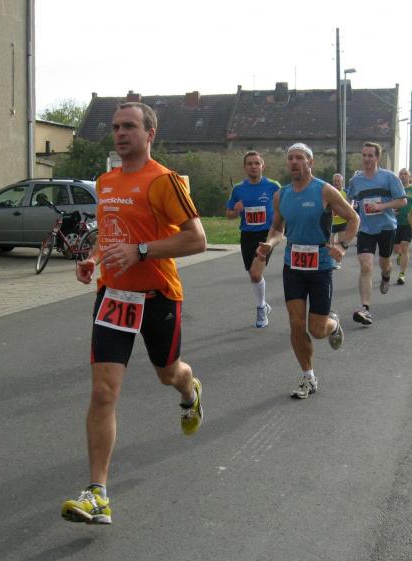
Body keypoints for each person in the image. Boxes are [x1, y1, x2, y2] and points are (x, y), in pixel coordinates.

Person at [62, 102, 207, 525]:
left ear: (150, 134)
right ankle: (97, 493)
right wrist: (94, 258)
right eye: (115, 127)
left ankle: (190, 392)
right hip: (115, 297)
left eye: (129, 126)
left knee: (169, 373)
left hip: (158, 296)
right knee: (103, 392)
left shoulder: (163, 181)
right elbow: (110, 233)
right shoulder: (105, 182)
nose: (120, 133)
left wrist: (141, 250)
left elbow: (197, 239)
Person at [256, 143, 359, 399]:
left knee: (317, 329)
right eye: (290, 158)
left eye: (299, 158)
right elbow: (277, 228)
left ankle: (333, 325)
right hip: (293, 265)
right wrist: (270, 244)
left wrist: (343, 245)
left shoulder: (324, 190)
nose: (294, 162)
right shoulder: (281, 195)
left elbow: (353, 219)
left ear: (310, 163)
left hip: (320, 266)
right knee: (296, 323)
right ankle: (308, 377)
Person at [347, 142, 407, 325]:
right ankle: (365, 308)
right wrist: (349, 212)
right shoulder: (355, 180)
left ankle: (386, 275)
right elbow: (350, 200)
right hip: (366, 229)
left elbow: (402, 201)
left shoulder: (389, 178)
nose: (366, 159)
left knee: (385, 263)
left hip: (386, 227)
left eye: (370, 155)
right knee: (366, 266)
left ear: (377, 158)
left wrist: (382, 206)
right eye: (364, 155)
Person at [226, 151, 281, 327]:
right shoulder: (238, 189)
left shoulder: (273, 186)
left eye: (257, 163)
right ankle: (264, 305)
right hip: (247, 235)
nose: (253, 166)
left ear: (263, 166)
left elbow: (283, 208)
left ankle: (260, 309)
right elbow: (228, 214)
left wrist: (280, 228)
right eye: (250, 163)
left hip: (266, 234)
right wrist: (236, 210)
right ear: (245, 167)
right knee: (252, 274)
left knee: (256, 274)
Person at [394, 168, 412, 284]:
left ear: (410, 177)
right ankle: (399, 254)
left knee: (405, 247)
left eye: (405, 174)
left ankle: (402, 274)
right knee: (396, 249)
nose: (403, 176)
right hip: (394, 223)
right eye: (401, 174)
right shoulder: (394, 188)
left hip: (408, 223)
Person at [329, 173, 350, 267]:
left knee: (340, 244)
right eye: (335, 181)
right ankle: (331, 261)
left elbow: (350, 205)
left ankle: (338, 262)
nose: (336, 183)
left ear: (342, 182)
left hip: (342, 222)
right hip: (331, 222)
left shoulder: (346, 193)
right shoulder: (329, 192)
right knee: (330, 243)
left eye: (338, 181)